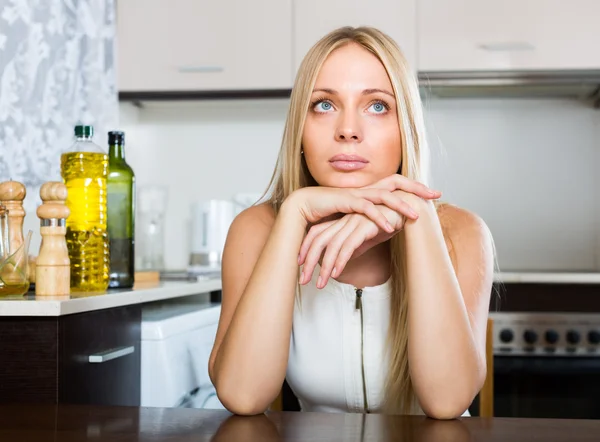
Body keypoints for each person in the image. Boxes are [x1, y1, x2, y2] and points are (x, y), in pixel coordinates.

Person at [208, 26, 495, 419]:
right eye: (324, 105)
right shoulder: (256, 230)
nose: (347, 130)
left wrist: (417, 217)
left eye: (377, 106)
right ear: (300, 130)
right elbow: (242, 395)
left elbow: (447, 403)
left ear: (405, 129)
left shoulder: (461, 233)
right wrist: (295, 213)